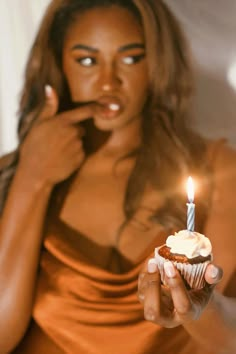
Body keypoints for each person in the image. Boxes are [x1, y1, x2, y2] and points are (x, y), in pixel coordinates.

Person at [0, 0, 235, 353]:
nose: (109, 82)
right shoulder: (14, 173)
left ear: (156, 63)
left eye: (130, 58)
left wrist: (199, 311)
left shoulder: (218, 169)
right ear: (59, 66)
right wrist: (32, 179)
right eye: (87, 61)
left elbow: (228, 340)